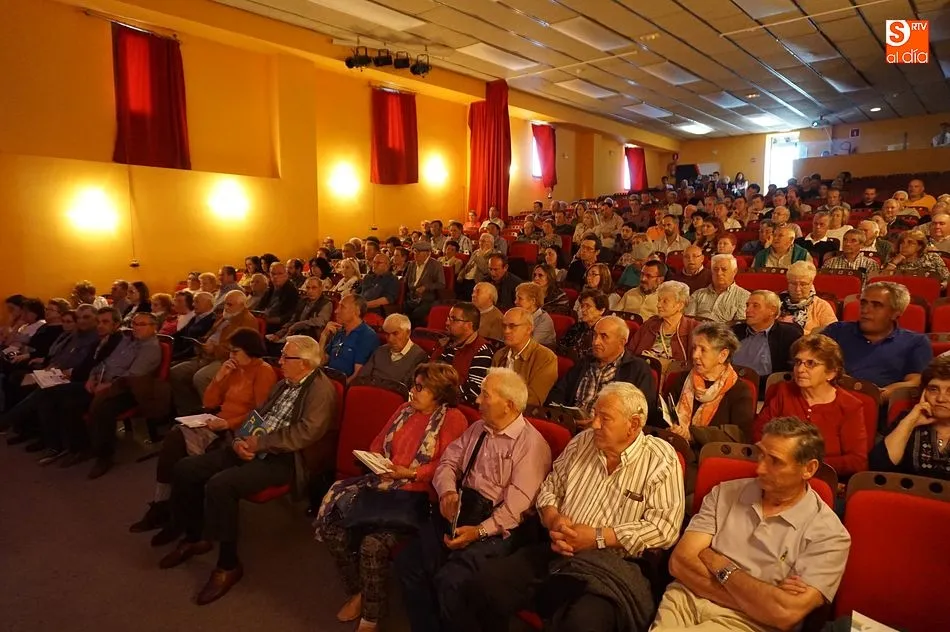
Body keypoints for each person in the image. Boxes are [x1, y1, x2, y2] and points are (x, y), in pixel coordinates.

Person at [469, 382, 684, 632]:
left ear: (633, 425)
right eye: (594, 415)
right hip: (557, 549)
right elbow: (550, 489)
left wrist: (597, 538)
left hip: (613, 564)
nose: (594, 424)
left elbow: (664, 528)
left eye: (605, 418)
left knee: (582, 623)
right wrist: (554, 521)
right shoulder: (582, 442)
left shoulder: (660, 459)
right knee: (485, 583)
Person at [161, 336, 337, 605]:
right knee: (186, 468)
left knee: (221, 485)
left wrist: (260, 443)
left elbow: (306, 433)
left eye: (285, 358)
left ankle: (228, 565)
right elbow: (259, 416)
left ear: (304, 363)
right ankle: (197, 536)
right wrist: (242, 440)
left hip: (286, 459)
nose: (279, 362)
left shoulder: (320, 390)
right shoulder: (283, 384)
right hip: (255, 445)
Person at [653, 416, 851, 632]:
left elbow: (785, 614)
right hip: (684, 599)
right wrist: (760, 601)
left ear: (809, 469)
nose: (760, 469)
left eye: (775, 461)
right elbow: (679, 563)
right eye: (761, 455)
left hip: (747, 624)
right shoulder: (724, 493)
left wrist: (718, 562)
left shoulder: (830, 535)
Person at [395, 368, 552, 632]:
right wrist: (447, 492)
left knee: (451, 581)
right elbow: (448, 462)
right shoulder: (480, 428)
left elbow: (515, 511)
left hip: (498, 527)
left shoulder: (531, 446)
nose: (477, 401)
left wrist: (477, 532)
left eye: (485, 396)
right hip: (462, 508)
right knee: (410, 563)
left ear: (509, 405)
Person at [316, 364, 469, 632]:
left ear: (439, 393)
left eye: (420, 387)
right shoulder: (404, 410)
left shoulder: (453, 418)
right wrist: (380, 464)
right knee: (334, 527)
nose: (413, 391)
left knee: (372, 544)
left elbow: (447, 467)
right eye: (414, 384)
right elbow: (377, 443)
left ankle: (371, 616)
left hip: (417, 500)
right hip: (384, 485)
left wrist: (409, 473)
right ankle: (359, 591)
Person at [129, 328, 277, 542]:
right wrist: (219, 377)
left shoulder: (263, 371)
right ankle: (164, 506)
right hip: (217, 421)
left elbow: (259, 414)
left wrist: (228, 422)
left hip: (237, 429)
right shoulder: (234, 369)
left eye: (235, 352)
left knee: (185, 457)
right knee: (174, 441)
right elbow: (209, 403)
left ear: (249, 350)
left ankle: (176, 516)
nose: (230, 356)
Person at [754, 334, 867, 475]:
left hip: (824, 479)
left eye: (810, 363)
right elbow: (759, 434)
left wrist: (801, 464)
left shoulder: (850, 406)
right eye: (798, 362)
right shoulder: (782, 391)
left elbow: (857, 461)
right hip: (776, 472)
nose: (800, 369)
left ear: (831, 373)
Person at [85, 312, 165, 479]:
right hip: (107, 382)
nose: (136, 327)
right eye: (134, 323)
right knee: (70, 396)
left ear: (154, 328)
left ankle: (104, 457)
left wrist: (107, 385)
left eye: (142, 324)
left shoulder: (150, 348)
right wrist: (92, 376)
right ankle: (81, 444)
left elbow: (132, 376)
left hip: (131, 390)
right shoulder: (128, 341)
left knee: (104, 409)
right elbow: (107, 362)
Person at [548, 315, 661, 426]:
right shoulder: (584, 363)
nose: (596, 342)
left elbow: (643, 413)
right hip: (571, 425)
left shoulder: (638, 369)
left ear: (622, 342)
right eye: (595, 335)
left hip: (609, 432)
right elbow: (558, 393)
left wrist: (601, 423)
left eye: (604, 336)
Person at [822, 282, 931, 396]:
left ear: (895, 313)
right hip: (834, 397)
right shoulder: (836, 331)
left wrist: (888, 391)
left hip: (884, 407)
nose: (865, 310)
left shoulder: (916, 342)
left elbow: (916, 381)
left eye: (876, 305)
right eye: (863, 303)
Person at [169, 290, 258, 417]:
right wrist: (202, 344)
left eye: (230, 305)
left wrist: (215, 349)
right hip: (206, 355)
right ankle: (189, 412)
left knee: (201, 377)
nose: (226, 307)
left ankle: (212, 413)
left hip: (226, 359)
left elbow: (242, 350)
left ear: (242, 305)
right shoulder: (225, 316)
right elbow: (210, 334)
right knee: (176, 373)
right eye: (225, 304)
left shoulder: (247, 321)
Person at [667, 322, 755, 444]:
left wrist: (692, 434)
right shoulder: (682, 379)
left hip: (709, 454)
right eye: (694, 348)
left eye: (703, 350)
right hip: (673, 446)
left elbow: (739, 434)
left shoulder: (739, 390)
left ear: (723, 355)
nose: (694, 355)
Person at [870, 355, 950, 479]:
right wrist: (910, 421)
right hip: (906, 497)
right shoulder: (908, 419)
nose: (940, 398)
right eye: (933, 389)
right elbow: (878, 469)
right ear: (924, 392)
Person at [490, 307, 558, 408]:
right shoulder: (499, 355)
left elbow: (534, 399)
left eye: (512, 326)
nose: (506, 331)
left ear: (529, 329)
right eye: (504, 326)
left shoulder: (546, 358)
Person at [732, 290, 803, 384]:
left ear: (772, 310)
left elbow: (791, 370)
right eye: (747, 305)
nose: (747, 310)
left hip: (766, 390)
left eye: (755, 306)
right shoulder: (733, 332)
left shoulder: (789, 335)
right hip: (730, 386)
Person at [435, 302, 495, 405]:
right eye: (448, 318)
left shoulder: (482, 351)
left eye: (453, 319)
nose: (447, 323)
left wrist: (440, 394)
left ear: (468, 325)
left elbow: (474, 391)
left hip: (455, 406)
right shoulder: (445, 343)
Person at [628, 281, 699, 367]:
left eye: (665, 301)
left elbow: (694, 364)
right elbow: (630, 351)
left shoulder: (694, 328)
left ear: (680, 305)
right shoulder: (650, 324)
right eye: (659, 300)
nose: (658, 305)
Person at [357, 314, 429, 387]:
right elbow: (362, 378)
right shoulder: (380, 350)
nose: (390, 339)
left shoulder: (419, 356)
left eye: (395, 333)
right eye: (387, 334)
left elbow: (407, 388)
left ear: (408, 333)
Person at [321, 295, 380, 381]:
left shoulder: (367, 336)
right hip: (327, 380)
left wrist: (339, 390)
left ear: (357, 311)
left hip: (342, 387)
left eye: (342, 307)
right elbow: (320, 362)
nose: (336, 311)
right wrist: (323, 336)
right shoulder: (339, 331)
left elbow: (357, 376)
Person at [266, 277, 333, 350]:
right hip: (294, 333)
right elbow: (293, 320)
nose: (310, 291)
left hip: (310, 337)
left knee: (278, 349)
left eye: (314, 288)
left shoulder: (326, 303)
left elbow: (321, 321)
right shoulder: (302, 301)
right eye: (308, 288)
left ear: (321, 288)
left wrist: (300, 324)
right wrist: (280, 333)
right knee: (268, 342)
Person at [685, 255, 751, 323]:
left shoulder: (744, 296)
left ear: (734, 271)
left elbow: (739, 325)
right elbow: (688, 320)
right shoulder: (698, 294)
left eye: (724, 269)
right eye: (715, 269)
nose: (719, 273)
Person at [778, 261, 837, 335]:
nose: (797, 289)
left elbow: (832, 335)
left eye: (803, 284)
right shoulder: (776, 302)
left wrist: (799, 332)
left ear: (811, 283)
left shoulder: (821, 306)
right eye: (793, 283)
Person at [883, 229, 950, 287]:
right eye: (902, 242)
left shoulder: (932, 257)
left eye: (910, 243)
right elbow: (882, 281)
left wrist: (941, 286)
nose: (904, 246)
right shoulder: (893, 258)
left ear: (919, 246)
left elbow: (946, 278)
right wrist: (894, 263)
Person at [558, 290, 609, 360]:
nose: (583, 310)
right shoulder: (577, 327)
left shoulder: (607, 332)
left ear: (601, 310)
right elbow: (561, 347)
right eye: (582, 306)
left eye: (588, 306)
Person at [258, 263, 299, 334]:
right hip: (263, 322)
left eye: (280, 273)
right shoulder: (269, 289)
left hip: (279, 328)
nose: (276, 276)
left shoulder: (292, 291)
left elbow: (290, 315)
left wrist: (269, 320)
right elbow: (259, 308)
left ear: (286, 274)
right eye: (273, 273)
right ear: (269, 275)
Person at [514, 283, 556, 348]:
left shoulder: (545, 321)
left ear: (533, 301)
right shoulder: (518, 314)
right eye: (516, 298)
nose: (515, 302)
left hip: (540, 355)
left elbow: (529, 344)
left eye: (520, 298)